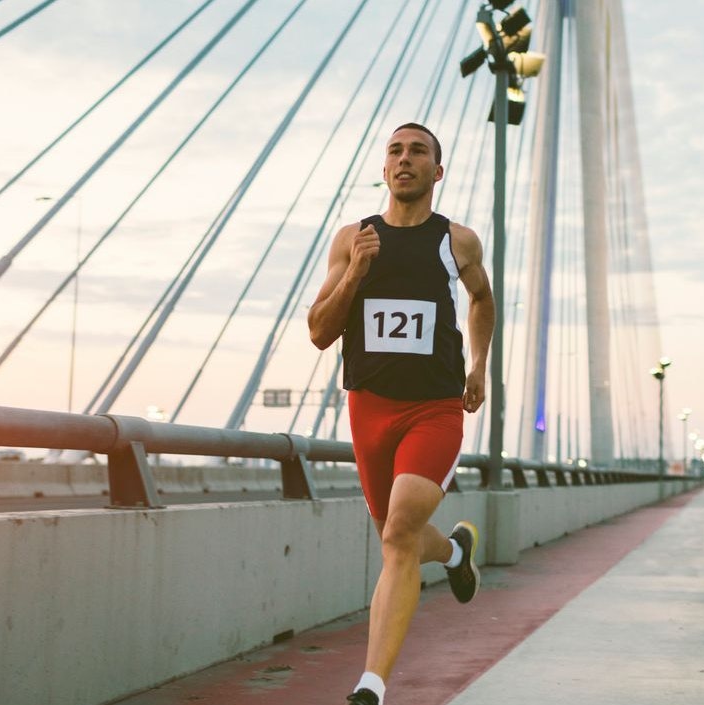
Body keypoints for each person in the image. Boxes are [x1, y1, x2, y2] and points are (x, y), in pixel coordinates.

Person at [308, 122, 495, 705]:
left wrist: (479, 367)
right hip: (369, 410)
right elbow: (319, 333)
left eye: (418, 152)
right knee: (402, 538)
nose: (405, 159)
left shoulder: (457, 241)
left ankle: (371, 686)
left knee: (396, 534)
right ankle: (457, 551)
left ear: (437, 172)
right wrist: (358, 273)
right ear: (384, 170)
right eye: (396, 151)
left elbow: (482, 298)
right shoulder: (352, 239)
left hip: (434, 410)